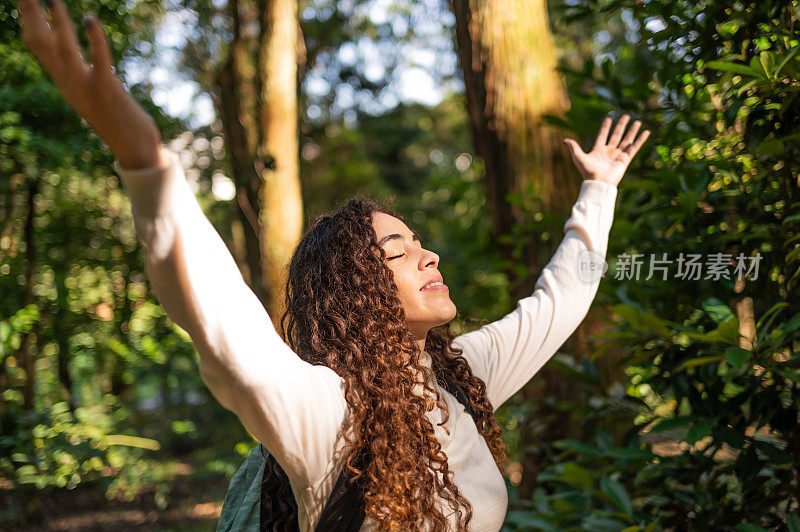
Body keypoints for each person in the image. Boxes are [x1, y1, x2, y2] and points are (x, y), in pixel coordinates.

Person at [18, 0, 651, 530]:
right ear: (354, 294)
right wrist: (145, 162)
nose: (427, 254)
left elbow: (562, 299)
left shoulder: (463, 376)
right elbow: (219, 317)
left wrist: (600, 190)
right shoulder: (322, 412)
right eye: (397, 251)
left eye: (418, 241)